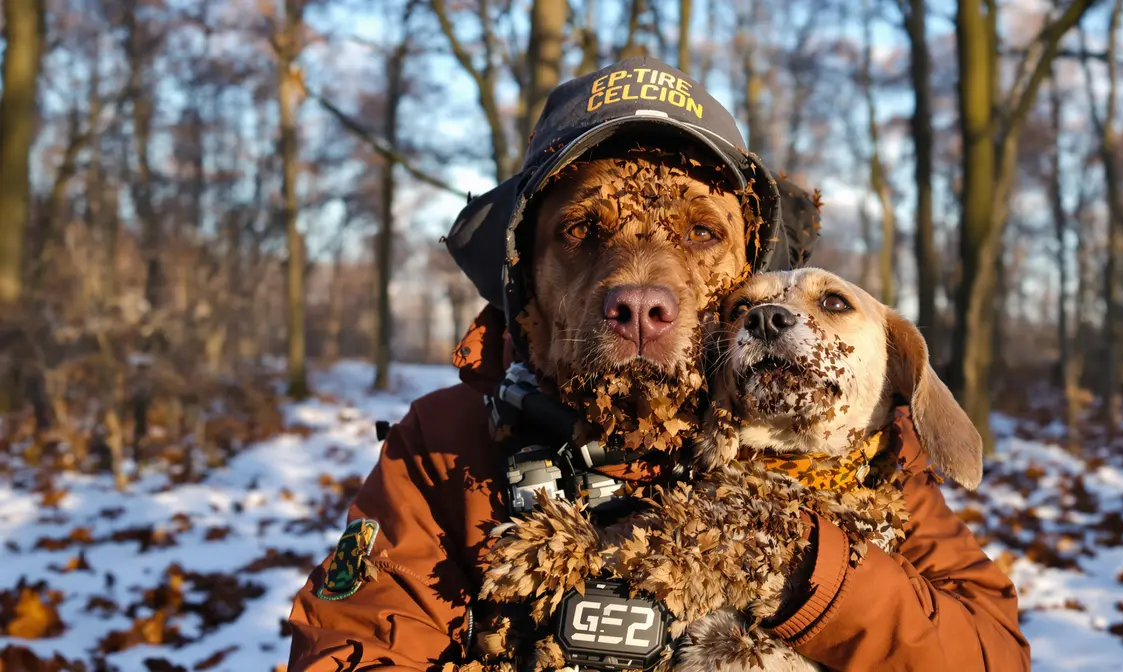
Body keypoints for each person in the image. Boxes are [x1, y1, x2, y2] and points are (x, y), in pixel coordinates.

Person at [286, 57, 1029, 671]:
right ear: (523, 275)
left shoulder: (841, 448)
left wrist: (800, 562)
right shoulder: (447, 446)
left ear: (752, 265)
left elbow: (991, 653)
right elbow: (346, 649)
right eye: (583, 230)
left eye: (702, 234)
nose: (639, 289)